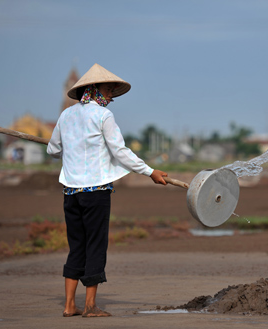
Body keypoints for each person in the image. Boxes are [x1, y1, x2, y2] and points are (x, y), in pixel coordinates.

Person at [47, 63, 168, 317]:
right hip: (96, 192)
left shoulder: (66, 116)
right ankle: (90, 306)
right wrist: (150, 172)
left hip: (71, 194)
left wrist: (69, 146)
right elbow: (120, 152)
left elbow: (52, 150)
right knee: (95, 246)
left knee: (77, 246)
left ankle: (70, 306)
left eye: (112, 89)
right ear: (93, 89)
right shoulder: (103, 116)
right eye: (108, 89)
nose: (111, 94)